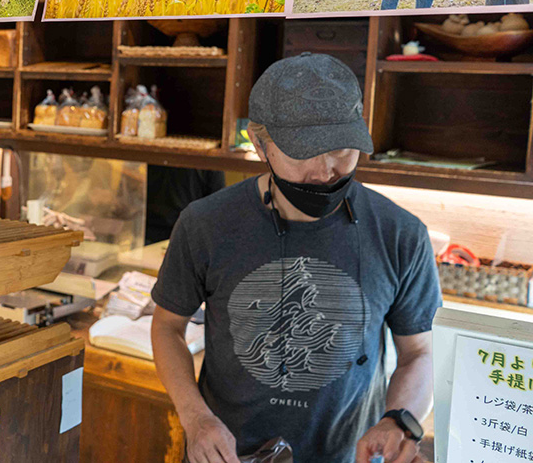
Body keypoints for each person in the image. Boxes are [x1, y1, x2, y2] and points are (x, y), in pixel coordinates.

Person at [151, 53, 439, 463]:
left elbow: (419, 353)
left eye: (342, 149)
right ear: (259, 143)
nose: (325, 172)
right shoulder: (205, 224)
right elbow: (167, 327)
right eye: (304, 152)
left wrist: (399, 420)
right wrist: (195, 417)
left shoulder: (400, 235)